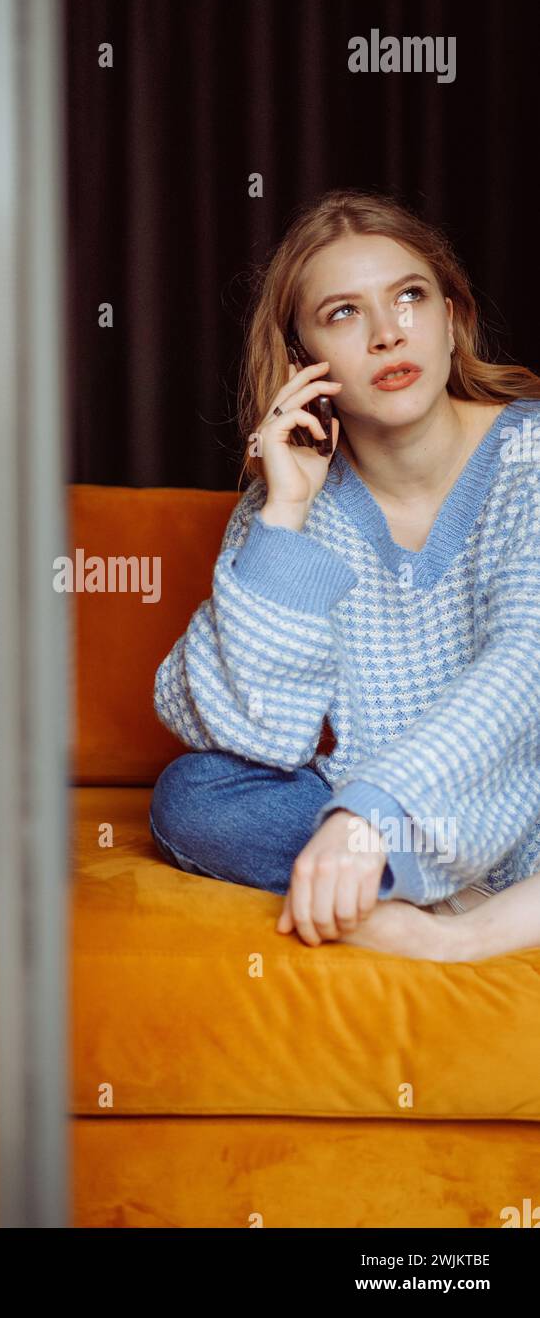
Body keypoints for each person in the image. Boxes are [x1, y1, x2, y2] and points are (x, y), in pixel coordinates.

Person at [149, 187, 540, 963]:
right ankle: (453, 889)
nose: (389, 333)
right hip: (381, 820)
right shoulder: (292, 498)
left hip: (502, 791)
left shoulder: (529, 457)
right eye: (343, 314)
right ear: (304, 362)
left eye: (409, 298)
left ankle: (459, 934)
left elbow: (523, 663)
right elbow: (237, 728)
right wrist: (285, 513)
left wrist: (372, 812)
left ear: (453, 318)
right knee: (193, 797)